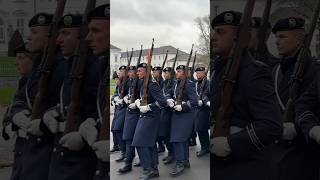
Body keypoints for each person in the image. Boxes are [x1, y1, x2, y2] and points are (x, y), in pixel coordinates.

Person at [210, 10, 282, 180]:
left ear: (239, 37)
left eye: (221, 32)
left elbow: (271, 125)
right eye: (214, 31)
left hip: (245, 167)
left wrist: (231, 143)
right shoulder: (217, 71)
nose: (213, 36)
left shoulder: (254, 72)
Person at [132, 62, 168, 180]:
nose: (138, 73)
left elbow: (162, 102)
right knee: (150, 144)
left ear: (146, 72)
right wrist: (138, 102)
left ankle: (148, 169)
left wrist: (149, 107)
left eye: (140, 71)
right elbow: (140, 96)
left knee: (140, 143)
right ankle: (153, 169)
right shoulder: (142, 83)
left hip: (151, 117)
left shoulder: (152, 84)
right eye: (137, 71)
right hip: (144, 117)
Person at [168, 65, 198, 177]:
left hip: (186, 115)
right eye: (177, 71)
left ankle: (180, 163)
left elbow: (194, 101)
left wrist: (183, 106)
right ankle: (185, 160)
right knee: (182, 139)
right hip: (177, 114)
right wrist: (169, 99)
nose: (176, 73)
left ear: (185, 73)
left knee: (178, 139)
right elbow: (168, 93)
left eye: (179, 71)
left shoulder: (189, 84)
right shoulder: (176, 83)